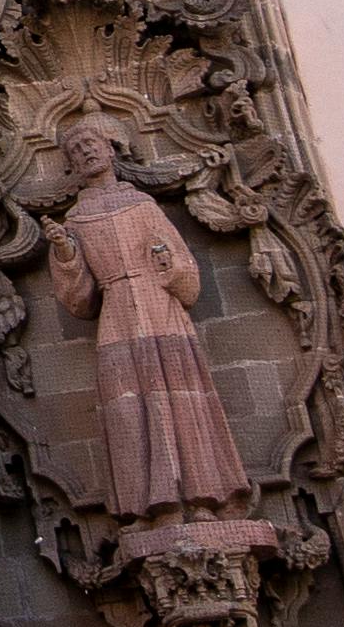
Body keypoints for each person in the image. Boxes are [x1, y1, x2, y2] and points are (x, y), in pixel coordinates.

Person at [42, 125, 251, 519]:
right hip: (117, 318)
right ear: (71, 165)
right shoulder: (76, 218)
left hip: (161, 311)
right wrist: (65, 250)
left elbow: (185, 273)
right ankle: (148, 508)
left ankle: (204, 499)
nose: (86, 153)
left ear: (111, 149)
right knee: (128, 415)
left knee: (183, 403)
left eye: (92, 144)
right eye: (76, 150)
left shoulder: (142, 205)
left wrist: (167, 264)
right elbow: (80, 300)